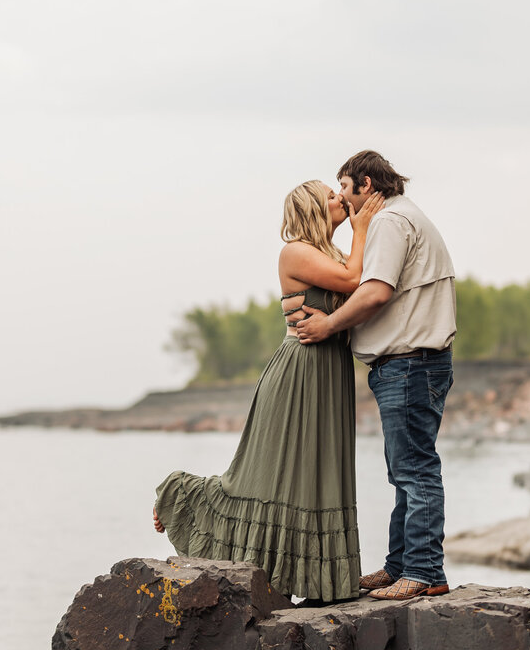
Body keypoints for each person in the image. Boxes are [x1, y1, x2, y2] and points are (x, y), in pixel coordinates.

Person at [152, 181, 382, 604]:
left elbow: (366, 285)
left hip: (330, 371)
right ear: (312, 208)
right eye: (331, 195)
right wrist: (362, 226)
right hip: (299, 372)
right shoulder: (294, 251)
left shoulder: (328, 253)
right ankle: (178, 494)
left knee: (316, 473)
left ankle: (320, 583)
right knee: (266, 475)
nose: (340, 200)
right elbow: (355, 278)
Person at [295, 149, 455, 602]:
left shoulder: (386, 221)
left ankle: (423, 573)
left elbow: (376, 292)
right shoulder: (403, 216)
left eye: (344, 188)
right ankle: (400, 565)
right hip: (414, 363)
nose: (342, 201)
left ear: (366, 184)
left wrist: (328, 324)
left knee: (415, 470)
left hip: (408, 363)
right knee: (405, 470)